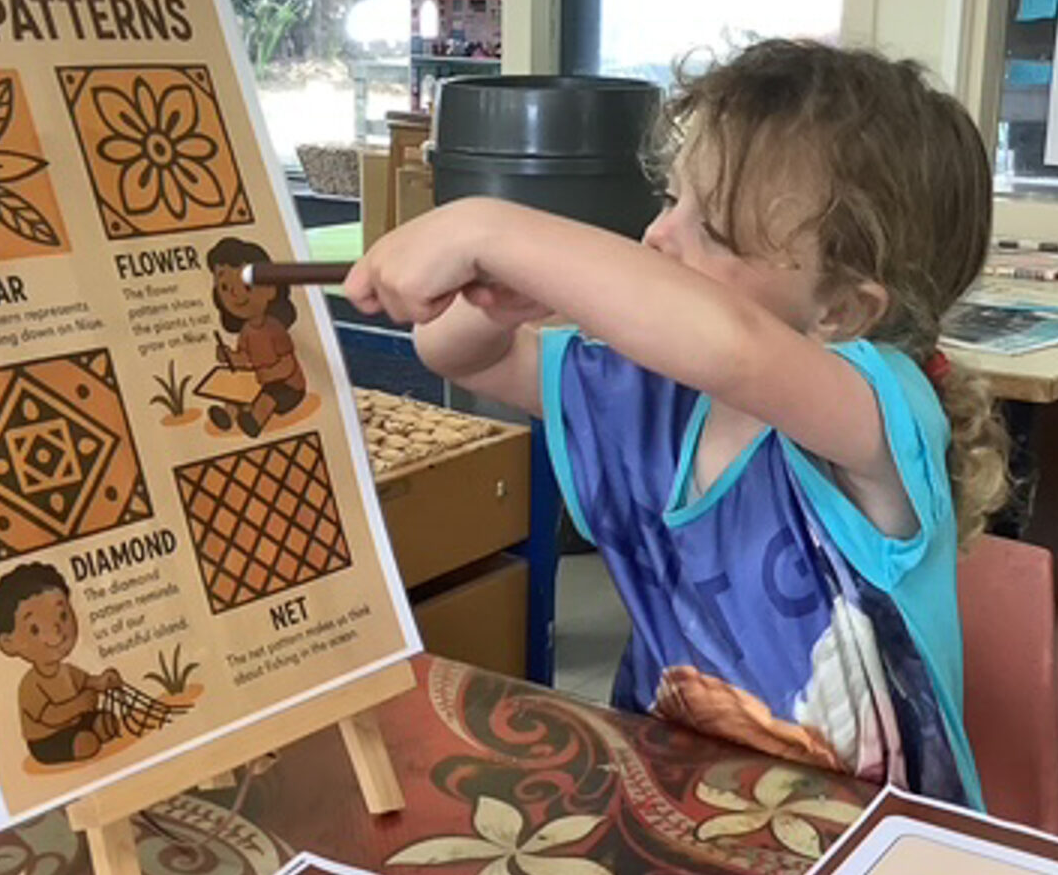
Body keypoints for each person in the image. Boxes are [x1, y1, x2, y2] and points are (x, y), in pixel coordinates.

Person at [345, 40, 1010, 807]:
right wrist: (507, 295)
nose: (659, 236)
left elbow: (734, 346)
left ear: (842, 310)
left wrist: (487, 229)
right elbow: (455, 351)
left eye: (714, 231)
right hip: (676, 816)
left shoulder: (878, 408)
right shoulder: (649, 391)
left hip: (872, 851)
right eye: (670, 198)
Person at [0, 562, 125, 766]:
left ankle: (90, 732)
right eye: (35, 629)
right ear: (8, 643)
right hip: (47, 739)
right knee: (85, 744)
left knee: (107, 722)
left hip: (77, 721)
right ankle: (80, 741)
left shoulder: (67, 671)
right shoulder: (31, 685)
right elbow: (49, 716)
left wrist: (103, 681)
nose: (56, 633)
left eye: (63, 616)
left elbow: (88, 681)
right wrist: (80, 705)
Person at [205, 237, 305, 436]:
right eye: (224, 288)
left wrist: (270, 374)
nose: (235, 295)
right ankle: (228, 415)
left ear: (271, 289)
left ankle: (254, 421)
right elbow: (244, 358)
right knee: (238, 391)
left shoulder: (275, 329)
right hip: (261, 381)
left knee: (268, 397)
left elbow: (288, 364)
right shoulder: (246, 332)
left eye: (246, 286)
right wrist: (230, 357)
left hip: (288, 387)